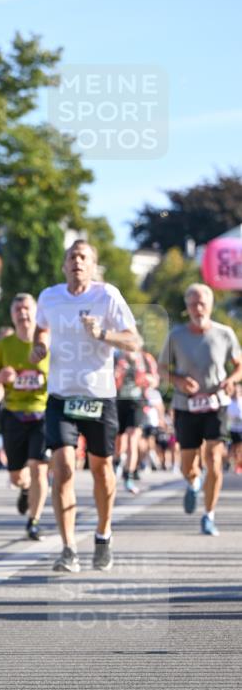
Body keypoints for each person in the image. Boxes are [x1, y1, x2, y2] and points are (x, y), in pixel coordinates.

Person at [31, 240, 140, 572]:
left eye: (84, 257)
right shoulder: (49, 296)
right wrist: (39, 347)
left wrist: (104, 334)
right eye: (72, 257)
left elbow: (134, 341)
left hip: (99, 396)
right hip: (62, 396)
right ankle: (68, 549)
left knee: (101, 471)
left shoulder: (107, 296)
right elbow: (41, 330)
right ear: (64, 265)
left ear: (93, 267)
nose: (77, 261)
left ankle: (103, 535)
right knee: (62, 467)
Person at [158, 283, 242, 535]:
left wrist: (231, 379)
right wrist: (179, 381)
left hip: (216, 405)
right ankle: (193, 483)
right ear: (187, 308)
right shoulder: (176, 335)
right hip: (186, 406)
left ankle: (209, 515)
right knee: (187, 465)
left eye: (202, 303)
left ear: (211, 305)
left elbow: (239, 365)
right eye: (193, 304)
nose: (198, 308)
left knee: (215, 460)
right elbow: (162, 369)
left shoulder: (225, 333)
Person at [0, 293, 50, 541]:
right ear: (12, 316)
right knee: (17, 475)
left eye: (26, 309)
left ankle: (33, 521)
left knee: (38, 469)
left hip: (43, 413)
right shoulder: (5, 345)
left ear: (35, 311)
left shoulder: (47, 343)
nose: (22, 314)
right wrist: (1, 376)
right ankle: (24, 489)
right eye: (17, 310)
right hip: (13, 414)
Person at [114, 348, 159, 494]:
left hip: (138, 402)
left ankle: (129, 475)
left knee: (133, 437)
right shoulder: (116, 356)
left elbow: (155, 380)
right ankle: (117, 460)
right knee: (119, 439)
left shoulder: (146, 358)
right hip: (118, 401)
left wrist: (147, 379)